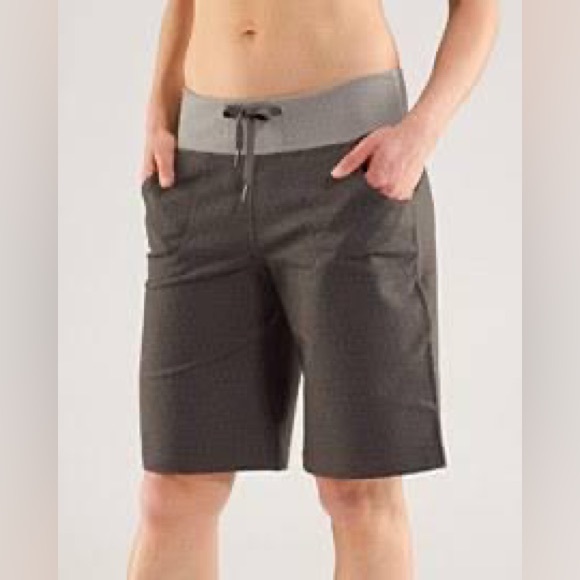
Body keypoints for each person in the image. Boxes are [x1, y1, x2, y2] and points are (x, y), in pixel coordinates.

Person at [128, 1, 498, 578]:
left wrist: (420, 132)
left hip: (351, 173)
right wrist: (159, 109)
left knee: (358, 492)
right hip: (200, 170)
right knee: (173, 490)